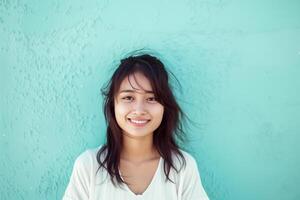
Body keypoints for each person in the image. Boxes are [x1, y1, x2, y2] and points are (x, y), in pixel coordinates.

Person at [63, 52, 209, 200]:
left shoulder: (181, 168)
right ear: (113, 104)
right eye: (128, 97)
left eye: (151, 98)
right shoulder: (89, 166)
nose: (139, 110)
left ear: (164, 106)